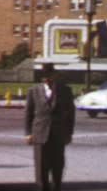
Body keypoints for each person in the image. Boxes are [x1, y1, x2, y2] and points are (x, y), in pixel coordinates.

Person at [24, 63, 76, 191]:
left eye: (49, 75)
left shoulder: (65, 90)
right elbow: (28, 113)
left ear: (54, 75)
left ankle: (56, 187)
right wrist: (28, 133)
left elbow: (71, 113)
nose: (47, 78)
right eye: (44, 76)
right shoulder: (34, 91)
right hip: (40, 134)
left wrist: (69, 133)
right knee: (41, 168)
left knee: (57, 166)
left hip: (58, 134)